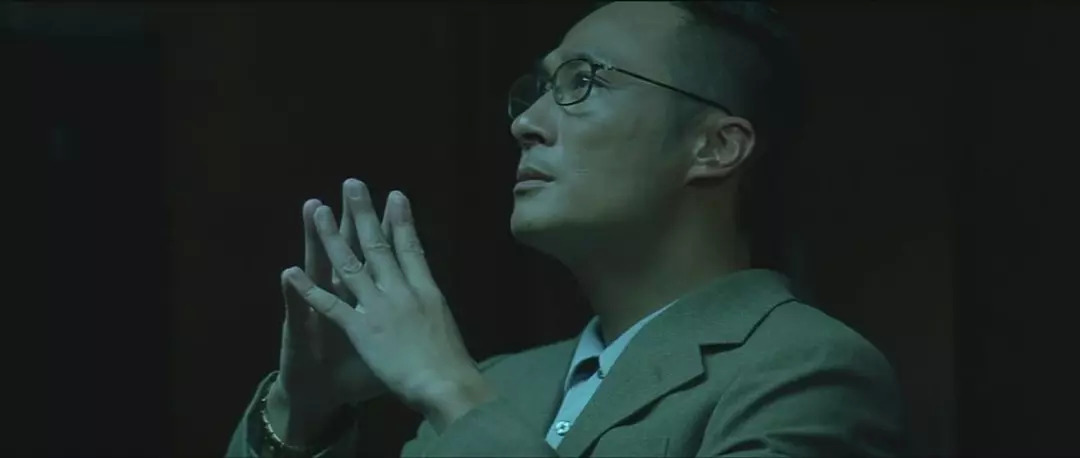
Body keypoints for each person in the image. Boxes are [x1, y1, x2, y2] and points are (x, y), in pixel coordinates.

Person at [226, 1, 908, 457]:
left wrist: (454, 394)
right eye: (537, 92)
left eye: (582, 83)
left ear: (715, 147)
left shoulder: (805, 368)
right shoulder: (505, 382)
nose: (527, 124)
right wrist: (301, 414)